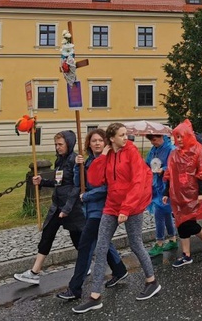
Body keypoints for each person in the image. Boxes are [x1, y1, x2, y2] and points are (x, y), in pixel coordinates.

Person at [72, 123, 160, 314]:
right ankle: (95, 296)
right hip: (112, 205)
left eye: (125, 134)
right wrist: (103, 155)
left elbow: (138, 182)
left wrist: (126, 209)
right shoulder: (109, 154)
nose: (125, 138)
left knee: (135, 243)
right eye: (121, 135)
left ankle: (152, 281)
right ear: (111, 139)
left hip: (133, 205)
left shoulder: (132, 152)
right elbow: (94, 180)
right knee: (101, 247)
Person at [56, 129, 128, 301]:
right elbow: (78, 184)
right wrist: (77, 168)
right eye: (93, 140)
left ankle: (75, 288)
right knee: (102, 242)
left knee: (85, 247)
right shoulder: (87, 162)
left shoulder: (109, 162)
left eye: (100, 140)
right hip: (89, 209)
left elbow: (107, 188)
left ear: (105, 143)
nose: (97, 143)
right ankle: (120, 270)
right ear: (88, 143)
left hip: (103, 210)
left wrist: (87, 196)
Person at [14, 131, 85, 286]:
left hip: (71, 208)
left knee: (78, 238)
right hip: (57, 205)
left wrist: (67, 208)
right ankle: (34, 272)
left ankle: (86, 266)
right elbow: (58, 182)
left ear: (69, 144)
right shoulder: (59, 161)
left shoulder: (75, 161)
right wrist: (42, 181)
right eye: (56, 144)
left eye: (60, 144)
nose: (57, 147)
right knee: (47, 234)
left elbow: (76, 187)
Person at [163, 119, 202, 267]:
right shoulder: (174, 154)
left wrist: (201, 192)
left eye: (181, 136)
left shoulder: (197, 150)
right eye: (177, 136)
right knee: (180, 223)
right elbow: (170, 175)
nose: (178, 140)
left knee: (188, 222)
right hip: (177, 194)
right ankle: (186, 255)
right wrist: (166, 192)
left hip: (192, 194)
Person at [145, 133, 178, 257]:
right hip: (157, 185)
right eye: (151, 141)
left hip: (167, 186)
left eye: (154, 140)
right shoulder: (154, 150)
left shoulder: (171, 149)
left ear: (162, 137)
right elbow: (148, 163)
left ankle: (159, 242)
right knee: (165, 212)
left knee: (159, 212)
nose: (153, 143)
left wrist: (163, 169)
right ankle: (173, 238)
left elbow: (174, 166)